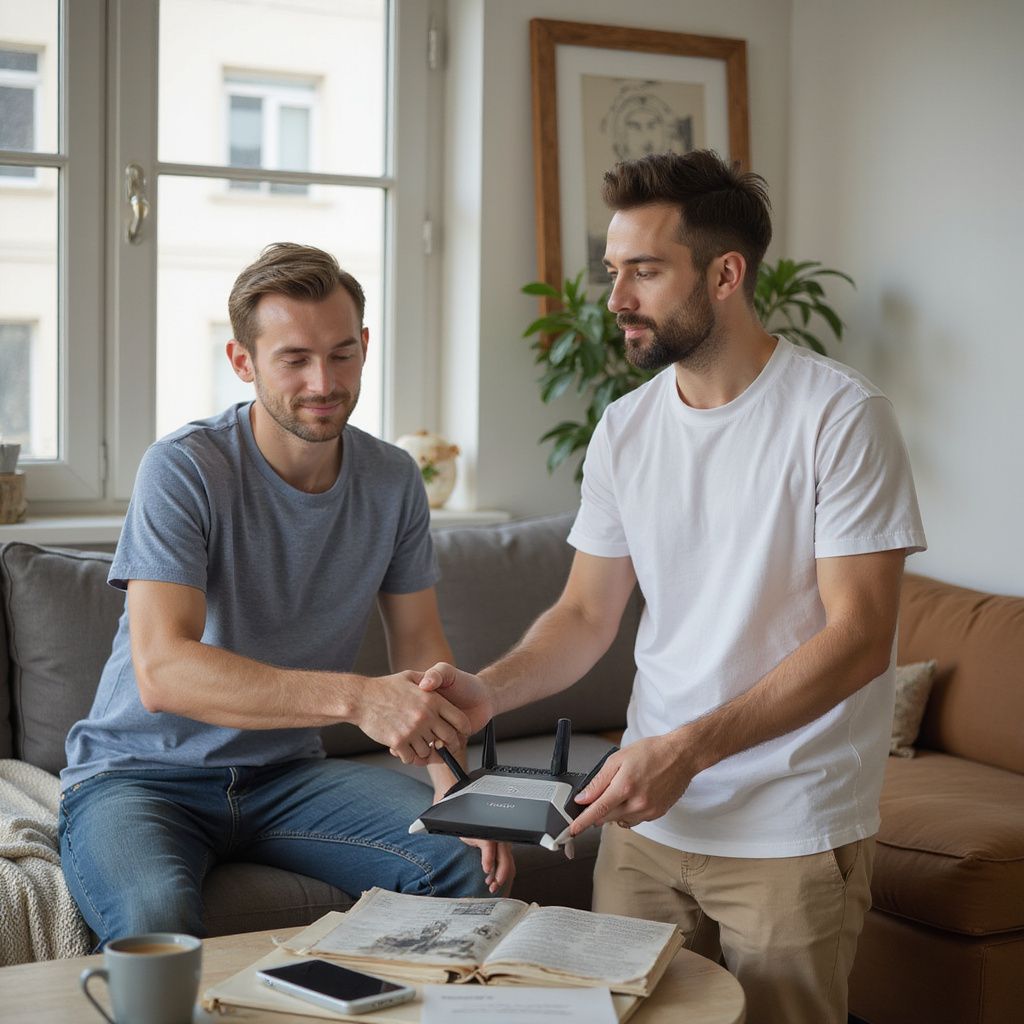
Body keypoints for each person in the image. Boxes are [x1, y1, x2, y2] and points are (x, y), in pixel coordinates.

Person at [419, 151, 926, 1024]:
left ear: (725, 274)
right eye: (614, 270)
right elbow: (585, 615)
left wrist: (687, 751)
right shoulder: (626, 428)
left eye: (645, 271)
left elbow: (860, 637)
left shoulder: (840, 417)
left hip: (789, 827)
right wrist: (485, 692)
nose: (615, 298)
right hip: (646, 825)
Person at [59, 243, 512, 946]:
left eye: (340, 354)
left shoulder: (393, 480)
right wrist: (359, 698)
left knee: (464, 864)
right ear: (244, 363)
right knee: (156, 928)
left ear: (364, 347)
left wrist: (454, 780)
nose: (323, 381)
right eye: (294, 359)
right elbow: (163, 672)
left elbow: (423, 650)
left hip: (286, 778)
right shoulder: (185, 469)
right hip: (141, 779)